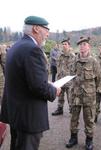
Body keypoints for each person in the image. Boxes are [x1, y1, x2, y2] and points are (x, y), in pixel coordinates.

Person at [0, 16, 61, 150]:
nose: (48, 33)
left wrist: (45, 83)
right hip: (28, 118)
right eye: (46, 29)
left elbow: (23, 79)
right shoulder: (32, 49)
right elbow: (38, 87)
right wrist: (54, 90)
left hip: (16, 114)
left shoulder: (16, 46)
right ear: (36, 28)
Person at [66, 37, 100, 150]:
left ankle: (89, 140)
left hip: (89, 96)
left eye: (84, 44)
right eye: (80, 44)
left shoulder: (94, 61)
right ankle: (73, 138)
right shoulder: (74, 60)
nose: (82, 46)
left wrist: (90, 90)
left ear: (88, 46)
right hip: (76, 94)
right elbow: (71, 76)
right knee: (73, 118)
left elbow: (98, 79)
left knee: (89, 119)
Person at [52, 38, 75, 116]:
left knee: (70, 97)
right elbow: (57, 66)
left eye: (65, 44)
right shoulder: (59, 55)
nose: (64, 45)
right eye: (63, 44)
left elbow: (75, 68)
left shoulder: (72, 56)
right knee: (60, 96)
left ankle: (72, 110)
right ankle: (60, 109)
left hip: (69, 80)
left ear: (69, 45)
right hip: (61, 79)